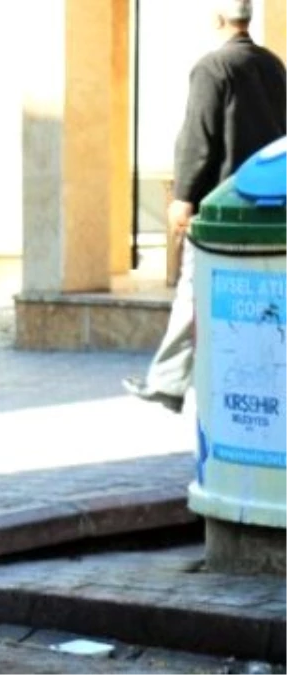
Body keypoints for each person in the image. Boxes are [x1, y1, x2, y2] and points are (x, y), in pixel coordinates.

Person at [124, 0, 287, 413]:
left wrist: (183, 198)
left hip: (221, 211)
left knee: (194, 289)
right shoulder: (273, 67)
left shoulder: (212, 68)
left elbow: (198, 136)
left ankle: (168, 382)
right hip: (270, 208)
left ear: (217, 19)